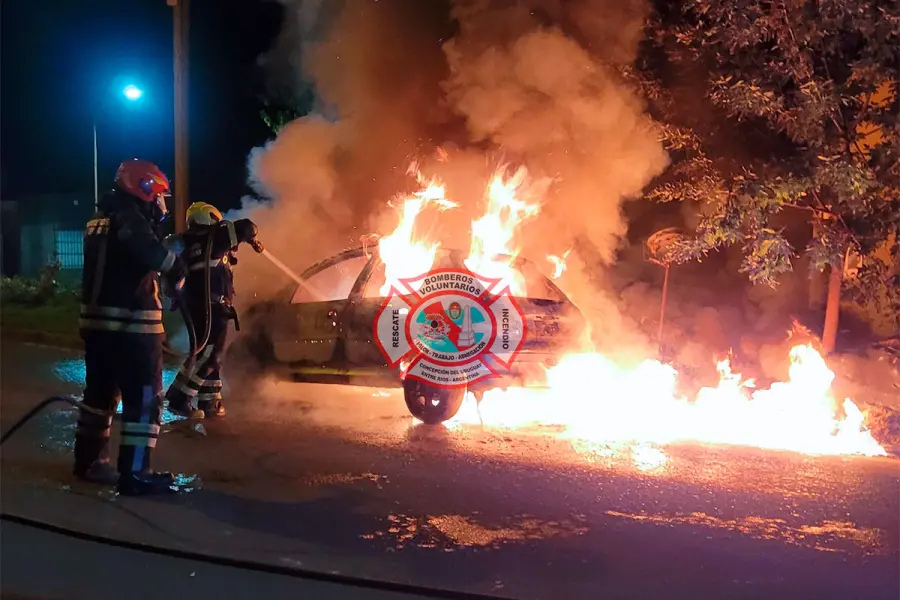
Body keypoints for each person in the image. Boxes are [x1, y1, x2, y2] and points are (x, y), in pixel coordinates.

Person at [75, 158, 187, 496]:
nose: (160, 205)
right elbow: (152, 253)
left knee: (99, 397)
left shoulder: (100, 219)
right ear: (145, 187)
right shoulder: (128, 217)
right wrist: (176, 268)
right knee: (144, 400)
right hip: (132, 329)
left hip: (98, 329)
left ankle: (89, 462)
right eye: (158, 195)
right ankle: (137, 473)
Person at [164, 202, 260, 419]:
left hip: (200, 306)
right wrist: (252, 238)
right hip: (212, 308)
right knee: (210, 356)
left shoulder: (192, 242)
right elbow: (247, 227)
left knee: (208, 353)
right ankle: (180, 398)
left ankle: (210, 402)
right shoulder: (214, 238)